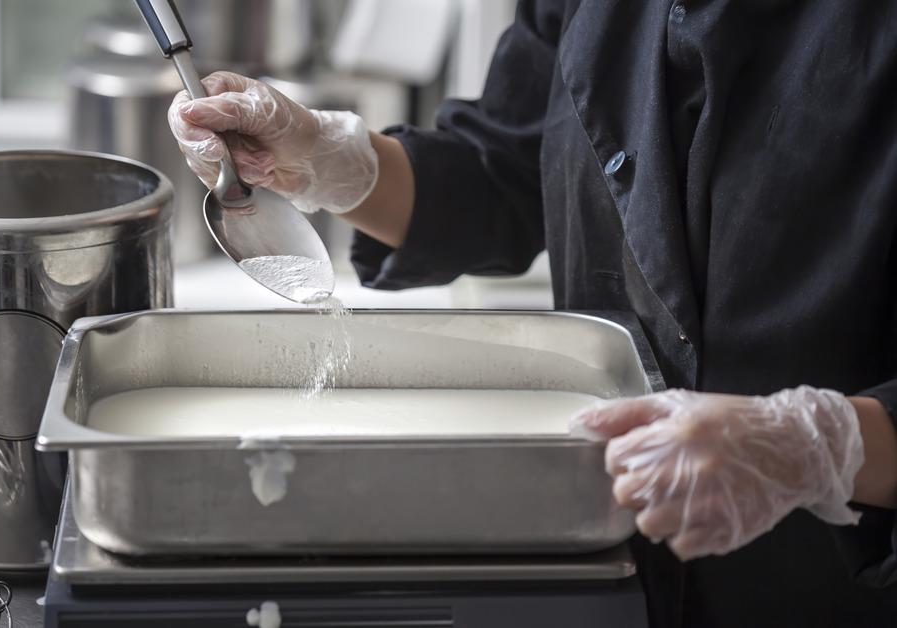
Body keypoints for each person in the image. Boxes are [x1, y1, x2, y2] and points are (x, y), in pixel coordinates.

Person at [167, 1, 897, 626]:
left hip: (837, 579)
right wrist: (328, 157)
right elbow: (511, 174)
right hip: (611, 558)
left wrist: (821, 446)